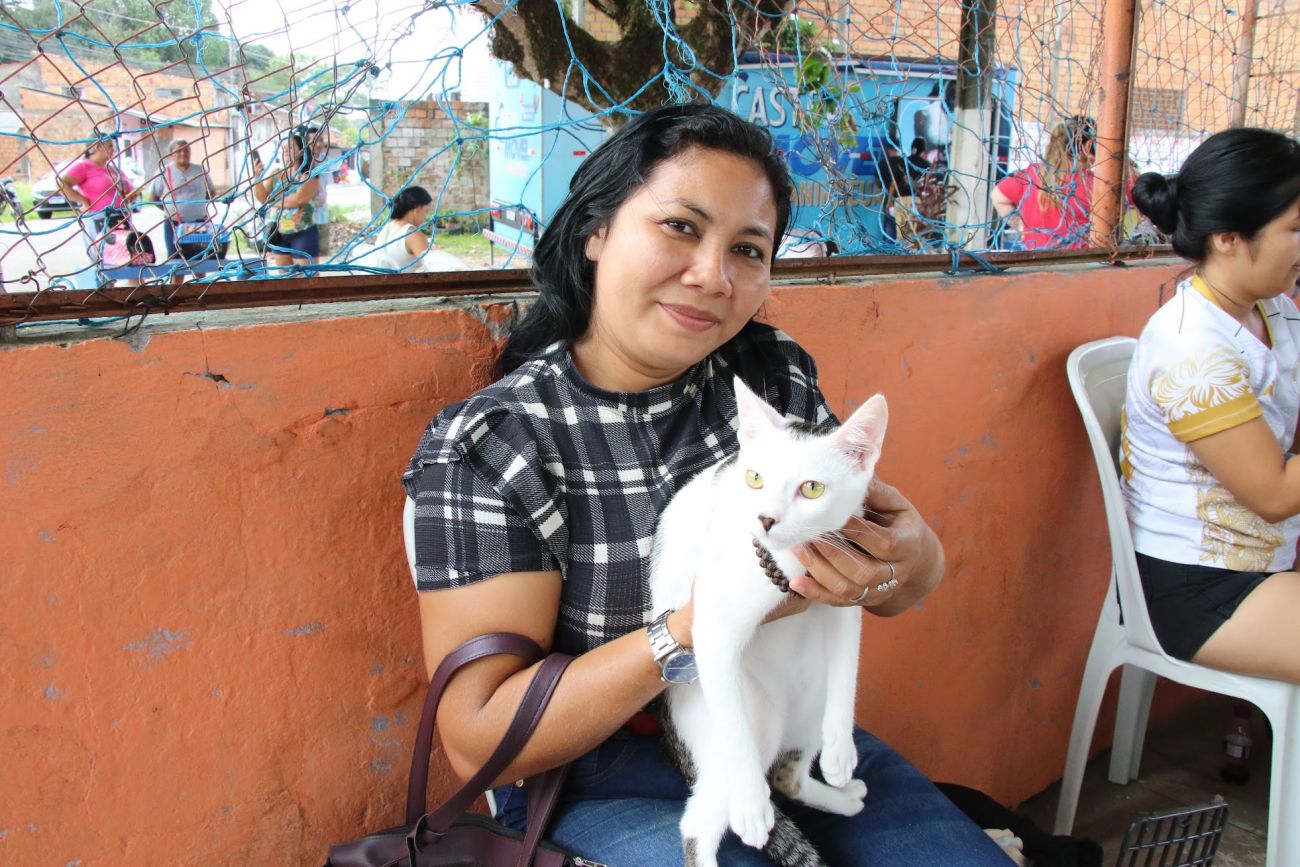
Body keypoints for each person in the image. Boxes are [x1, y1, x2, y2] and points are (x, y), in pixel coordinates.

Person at [402, 104, 1013, 865]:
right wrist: (691, 628)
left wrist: (905, 560)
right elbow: (477, 740)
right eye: (680, 227)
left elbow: (895, 580)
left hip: (774, 722)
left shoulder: (772, 379)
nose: (712, 276)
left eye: (747, 249)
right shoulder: (499, 444)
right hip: (599, 770)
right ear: (596, 231)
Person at [1120, 127, 1300, 684]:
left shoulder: (1271, 309)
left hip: (1261, 558)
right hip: (1201, 588)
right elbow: (1274, 494)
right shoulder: (1193, 348)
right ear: (1228, 238)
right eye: (1295, 229)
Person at [991, 116, 1095, 250]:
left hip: (1034, 257)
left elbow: (998, 196)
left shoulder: (1033, 173)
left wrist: (1022, 227)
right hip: (1078, 260)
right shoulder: (1092, 184)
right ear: (1088, 146)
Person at [250, 129, 321, 267]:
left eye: (291, 147)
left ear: (302, 150)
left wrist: (272, 200)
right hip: (279, 233)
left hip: (302, 232)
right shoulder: (277, 174)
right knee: (284, 276)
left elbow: (299, 200)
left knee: (307, 275)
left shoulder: (308, 174)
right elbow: (263, 198)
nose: (287, 150)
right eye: (285, 147)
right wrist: (257, 178)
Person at [149, 139, 216, 260]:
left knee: (200, 260)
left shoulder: (199, 170)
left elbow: (211, 192)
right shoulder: (164, 171)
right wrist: (170, 210)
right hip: (174, 224)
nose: (183, 153)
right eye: (178, 151)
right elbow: (153, 197)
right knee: (176, 260)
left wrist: (198, 206)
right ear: (171, 154)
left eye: (186, 150)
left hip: (199, 224)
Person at [365, 186, 438, 272]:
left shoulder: (387, 227)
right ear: (417, 208)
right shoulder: (411, 233)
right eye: (426, 211)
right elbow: (434, 266)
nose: (426, 217)